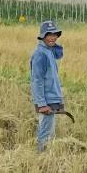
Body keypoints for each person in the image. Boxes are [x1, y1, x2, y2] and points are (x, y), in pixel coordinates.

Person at [30, 20, 65, 152]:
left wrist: (53, 43)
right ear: (42, 36)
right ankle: (40, 156)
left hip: (53, 97)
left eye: (55, 34)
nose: (53, 37)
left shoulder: (49, 50)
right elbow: (37, 81)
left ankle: (48, 155)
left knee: (50, 130)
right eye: (49, 34)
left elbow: (59, 53)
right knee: (45, 130)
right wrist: (42, 103)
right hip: (46, 99)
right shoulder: (40, 54)